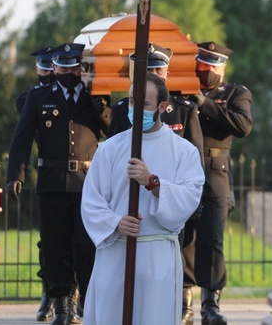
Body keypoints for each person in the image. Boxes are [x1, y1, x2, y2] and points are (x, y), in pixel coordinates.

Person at [80, 73, 205, 325]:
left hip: (156, 257)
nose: (136, 110)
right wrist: (115, 222)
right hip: (115, 253)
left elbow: (191, 196)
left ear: (162, 107)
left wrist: (153, 183)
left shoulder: (183, 151)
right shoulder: (109, 149)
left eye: (144, 104)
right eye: (131, 102)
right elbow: (91, 202)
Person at [7, 42, 111, 325]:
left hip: (86, 186)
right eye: (62, 66)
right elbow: (22, 137)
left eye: (73, 66)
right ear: (53, 68)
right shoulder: (39, 96)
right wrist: (16, 174)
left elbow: (112, 130)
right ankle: (63, 306)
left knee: (86, 247)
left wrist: (98, 101)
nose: (68, 71)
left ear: (81, 67)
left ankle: (88, 302)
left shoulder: (95, 97)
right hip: (52, 184)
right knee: (55, 248)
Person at [181, 41, 252, 325]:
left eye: (213, 65)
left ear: (222, 67)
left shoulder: (236, 93)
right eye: (203, 63)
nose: (207, 69)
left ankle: (210, 305)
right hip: (185, 170)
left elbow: (242, 126)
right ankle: (184, 304)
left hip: (215, 173)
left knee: (212, 241)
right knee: (184, 239)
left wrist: (205, 103)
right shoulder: (182, 90)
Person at [14, 45, 60, 322]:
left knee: (76, 242)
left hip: (76, 178)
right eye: (42, 69)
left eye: (50, 69)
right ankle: (49, 295)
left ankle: (70, 295)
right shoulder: (32, 98)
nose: (46, 74)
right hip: (48, 176)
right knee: (48, 245)